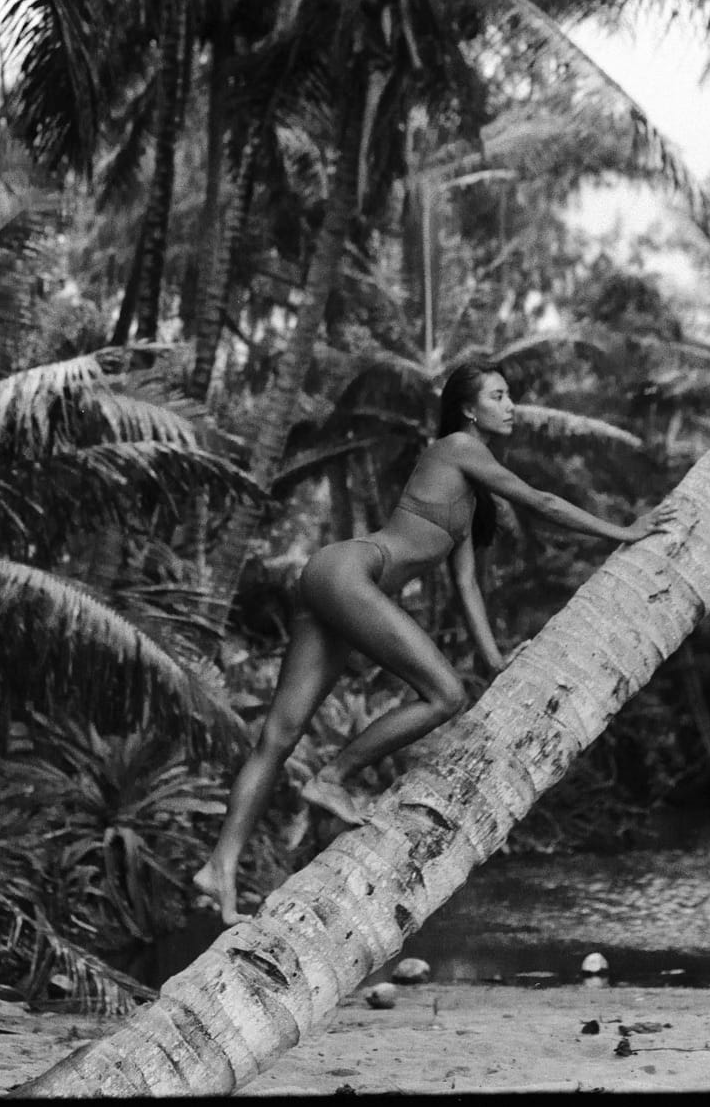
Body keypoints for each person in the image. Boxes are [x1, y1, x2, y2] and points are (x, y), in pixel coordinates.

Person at [191, 360, 678, 924]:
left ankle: (219, 870)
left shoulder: (467, 500)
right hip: (353, 571)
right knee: (444, 694)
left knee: (277, 737)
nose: (511, 404)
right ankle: (333, 777)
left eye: (510, 395)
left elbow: (466, 584)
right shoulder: (456, 446)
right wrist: (623, 531)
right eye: (499, 395)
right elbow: (540, 501)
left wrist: (495, 661)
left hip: (332, 578)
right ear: (471, 410)